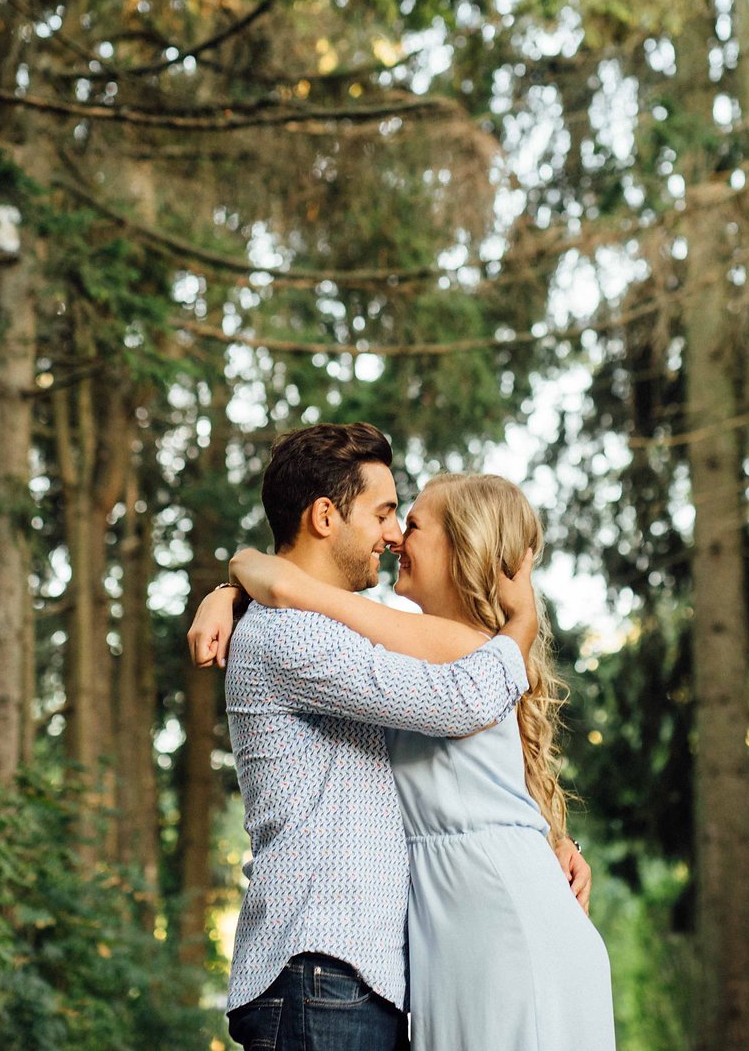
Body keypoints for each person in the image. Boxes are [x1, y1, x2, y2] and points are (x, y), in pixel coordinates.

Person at [190, 447, 615, 1051]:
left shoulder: (463, 650)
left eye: (410, 522)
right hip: (431, 943)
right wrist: (237, 589)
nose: (393, 537)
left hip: (493, 927)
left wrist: (253, 582)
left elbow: (466, 721)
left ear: (461, 548)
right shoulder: (395, 650)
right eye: (390, 515)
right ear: (324, 516)